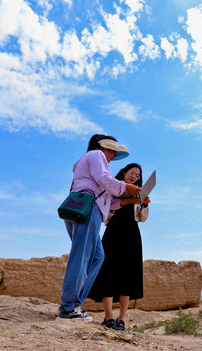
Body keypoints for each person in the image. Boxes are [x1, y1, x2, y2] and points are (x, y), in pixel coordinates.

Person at [58, 134, 141, 321]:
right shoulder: (97, 156)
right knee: (81, 257)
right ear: (104, 147)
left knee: (97, 256)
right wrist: (125, 186)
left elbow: (109, 201)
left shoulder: (88, 162)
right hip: (89, 209)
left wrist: (128, 199)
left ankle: (74, 304)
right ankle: (68, 307)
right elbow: (104, 180)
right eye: (113, 150)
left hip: (82, 207)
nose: (113, 156)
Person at [88, 163, 151, 331]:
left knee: (127, 277)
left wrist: (144, 204)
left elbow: (142, 218)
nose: (134, 177)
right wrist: (126, 200)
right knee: (107, 273)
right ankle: (108, 317)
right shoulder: (112, 187)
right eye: (132, 173)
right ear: (124, 173)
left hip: (132, 235)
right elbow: (106, 212)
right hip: (113, 233)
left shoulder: (139, 192)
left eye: (137, 176)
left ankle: (121, 320)